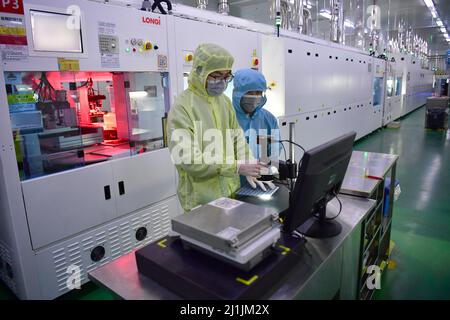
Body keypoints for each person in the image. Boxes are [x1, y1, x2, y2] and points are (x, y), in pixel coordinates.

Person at [167, 43, 263, 212]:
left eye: (226, 77)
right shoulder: (182, 107)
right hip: (201, 200)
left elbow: (238, 139)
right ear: (199, 72)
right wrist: (236, 167)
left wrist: (250, 166)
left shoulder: (224, 102)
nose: (222, 82)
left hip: (231, 192)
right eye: (216, 76)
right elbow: (191, 161)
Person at [232, 68, 280, 190]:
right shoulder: (227, 117)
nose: (255, 97)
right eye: (250, 92)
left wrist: (265, 173)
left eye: (258, 93)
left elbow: (273, 152)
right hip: (231, 186)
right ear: (237, 93)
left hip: (259, 183)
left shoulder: (268, 119)